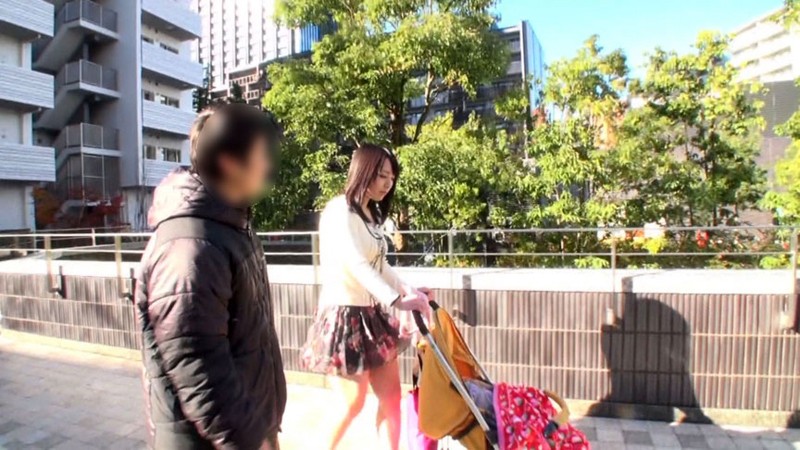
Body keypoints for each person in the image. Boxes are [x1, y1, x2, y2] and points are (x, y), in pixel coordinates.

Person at [136, 104, 286, 450]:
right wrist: (249, 439)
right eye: (262, 156)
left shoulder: (230, 225)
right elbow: (196, 363)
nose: (268, 167)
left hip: (246, 426)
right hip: (210, 440)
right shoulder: (190, 247)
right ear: (230, 164)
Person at [301, 144, 432, 450]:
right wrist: (397, 300)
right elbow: (355, 263)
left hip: (371, 315)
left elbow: (379, 264)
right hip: (343, 316)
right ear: (364, 171)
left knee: (392, 398)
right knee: (351, 403)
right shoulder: (339, 210)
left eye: (392, 177)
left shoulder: (369, 214)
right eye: (382, 175)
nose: (388, 183)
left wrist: (409, 290)